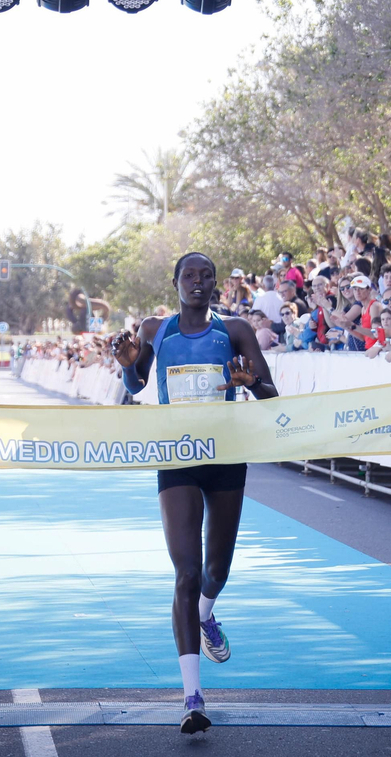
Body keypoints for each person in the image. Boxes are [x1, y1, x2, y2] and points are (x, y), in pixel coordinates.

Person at [110, 252, 279, 736]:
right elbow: (136, 380)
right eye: (190, 276)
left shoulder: (237, 330)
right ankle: (191, 697)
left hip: (226, 456)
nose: (199, 283)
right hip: (177, 458)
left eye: (207, 276)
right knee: (185, 572)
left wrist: (251, 383)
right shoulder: (155, 329)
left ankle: (207, 616)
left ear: (217, 284)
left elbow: (271, 394)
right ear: (176, 283)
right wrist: (126, 367)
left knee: (216, 571)